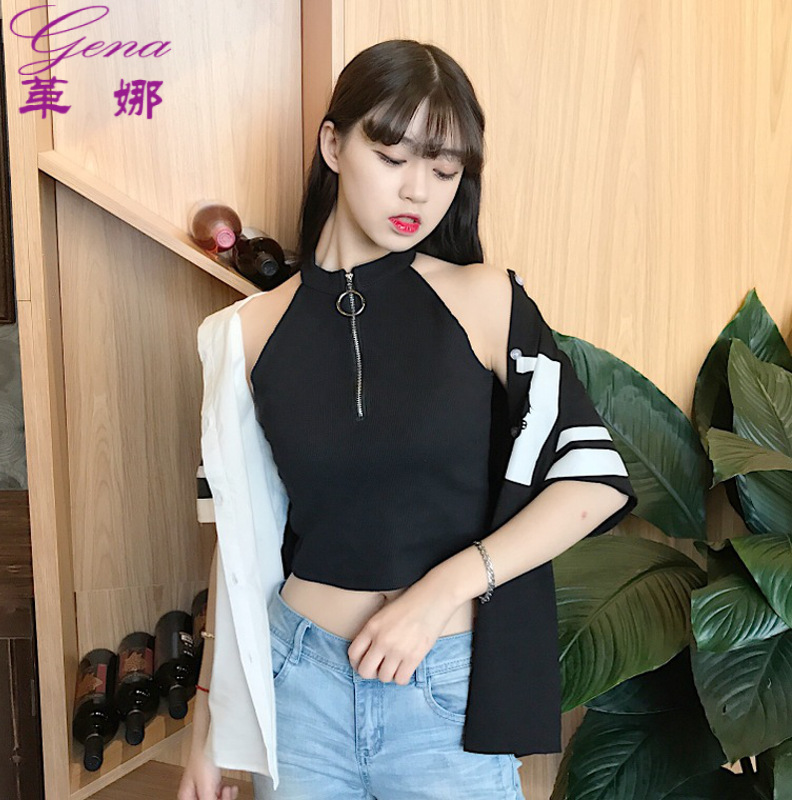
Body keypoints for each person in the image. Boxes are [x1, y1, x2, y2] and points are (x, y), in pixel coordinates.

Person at [179, 38, 636, 800]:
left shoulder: (486, 301)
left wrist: (438, 594)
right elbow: (237, 539)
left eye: (445, 170)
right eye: (393, 157)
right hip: (298, 693)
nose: (418, 191)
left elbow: (593, 480)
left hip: (445, 692)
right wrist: (208, 727)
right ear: (334, 145)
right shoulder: (242, 335)